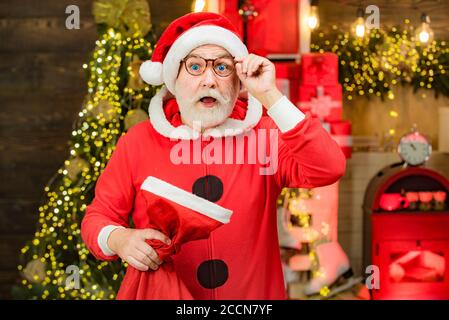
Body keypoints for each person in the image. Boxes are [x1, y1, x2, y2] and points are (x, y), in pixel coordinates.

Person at [81, 12, 346, 299]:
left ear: (237, 82)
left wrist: (270, 95)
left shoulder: (264, 136)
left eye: (222, 67)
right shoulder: (138, 142)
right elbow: (97, 218)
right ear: (173, 78)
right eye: (195, 66)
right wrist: (118, 239)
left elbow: (328, 167)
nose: (209, 80)